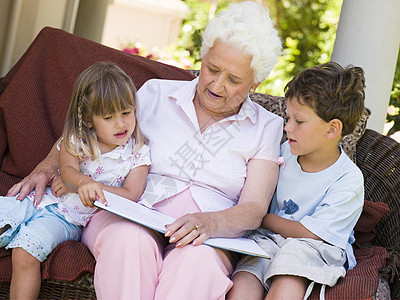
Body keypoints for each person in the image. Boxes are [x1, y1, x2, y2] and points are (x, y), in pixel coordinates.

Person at [7, 1, 283, 299]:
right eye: (212, 69)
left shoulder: (266, 126)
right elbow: (91, 129)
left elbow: (254, 208)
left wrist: (211, 222)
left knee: (197, 264)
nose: (217, 85)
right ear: (203, 58)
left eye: (233, 80)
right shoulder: (157, 94)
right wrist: (50, 164)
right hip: (131, 211)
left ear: (256, 82)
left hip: (207, 234)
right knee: (128, 241)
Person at [1, 61, 150, 299]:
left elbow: (132, 193)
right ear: (89, 119)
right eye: (109, 116)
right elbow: (68, 171)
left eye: (126, 112)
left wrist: (91, 186)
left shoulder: (138, 153)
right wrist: (78, 182)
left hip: (68, 218)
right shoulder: (78, 139)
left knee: (24, 252)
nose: (121, 124)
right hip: (37, 199)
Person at [227, 62, 366, 300]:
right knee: (245, 278)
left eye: (298, 121)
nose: (287, 127)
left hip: (315, 246)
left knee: (288, 276)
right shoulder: (285, 152)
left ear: (332, 129)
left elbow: (312, 234)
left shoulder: (348, 179)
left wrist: (265, 218)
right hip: (269, 239)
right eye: (287, 117)